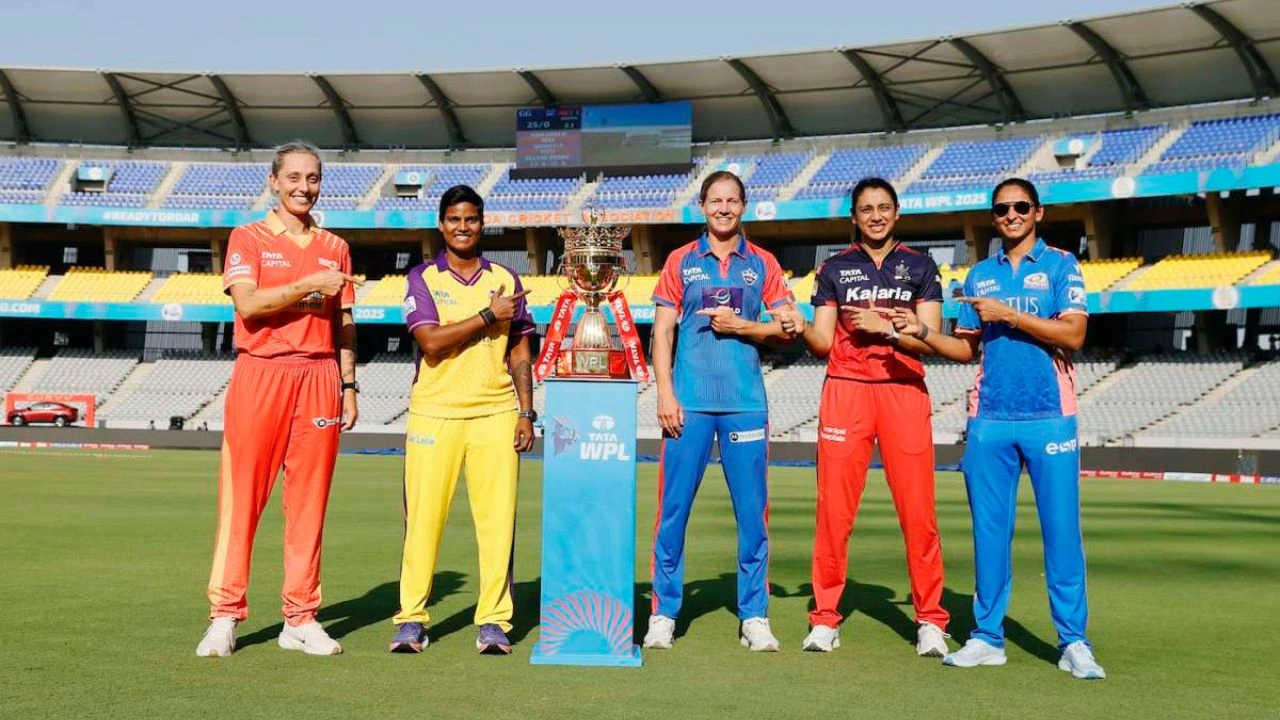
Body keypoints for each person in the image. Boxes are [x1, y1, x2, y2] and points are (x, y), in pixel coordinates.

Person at [889, 177, 1105, 679]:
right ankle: (987, 637)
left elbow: (1074, 334)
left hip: (1050, 417)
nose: (1011, 215)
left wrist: (1010, 315)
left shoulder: (1061, 265)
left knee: (1062, 534)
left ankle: (1074, 642)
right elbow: (965, 348)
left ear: (1038, 212)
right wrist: (921, 332)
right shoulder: (980, 274)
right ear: (994, 217)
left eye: (1020, 206)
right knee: (989, 535)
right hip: (988, 420)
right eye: (1002, 209)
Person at [197, 140, 362, 658]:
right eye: (293, 177)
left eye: (312, 178)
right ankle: (225, 616)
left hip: (319, 376)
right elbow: (247, 304)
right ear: (274, 181)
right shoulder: (247, 238)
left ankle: (301, 618)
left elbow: (344, 321)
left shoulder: (335, 246)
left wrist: (349, 384)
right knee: (242, 499)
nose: (303, 187)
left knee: (309, 505)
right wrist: (309, 283)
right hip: (261, 372)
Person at [646, 170, 803, 652]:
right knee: (673, 512)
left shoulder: (762, 263)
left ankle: (754, 615)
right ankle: (663, 613)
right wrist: (665, 393)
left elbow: (788, 327)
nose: (724, 208)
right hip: (688, 404)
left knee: (752, 516)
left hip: (744, 404)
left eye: (732, 200)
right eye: (716, 200)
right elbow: (663, 332)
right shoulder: (680, 260)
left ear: (743, 206)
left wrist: (748, 326)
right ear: (702, 206)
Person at [797, 177, 950, 656]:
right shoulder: (834, 268)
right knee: (833, 513)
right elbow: (822, 342)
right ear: (855, 217)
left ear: (897, 213)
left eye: (884, 207)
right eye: (867, 209)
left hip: (903, 390)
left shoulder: (921, 265)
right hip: (846, 390)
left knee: (919, 512)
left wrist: (887, 328)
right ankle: (825, 618)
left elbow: (932, 338)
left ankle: (930, 620)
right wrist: (798, 326)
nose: (876, 216)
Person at [389, 184, 536, 656]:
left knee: (498, 523)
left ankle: (494, 620)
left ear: (482, 223)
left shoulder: (506, 278)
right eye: (454, 219)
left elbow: (520, 351)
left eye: (471, 219)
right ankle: (411, 619)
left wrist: (526, 411)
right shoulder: (422, 277)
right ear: (441, 224)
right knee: (423, 522)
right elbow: (431, 342)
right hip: (435, 413)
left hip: (496, 412)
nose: (463, 227)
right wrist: (487, 313)